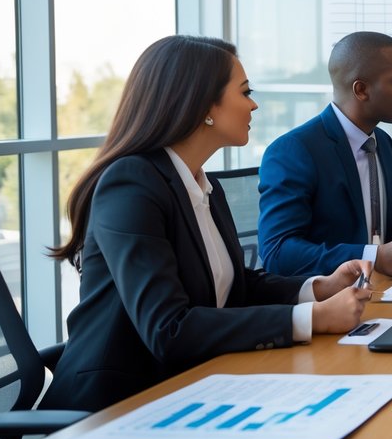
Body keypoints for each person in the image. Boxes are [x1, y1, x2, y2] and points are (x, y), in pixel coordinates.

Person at [42, 36, 371, 412]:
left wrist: (318, 289)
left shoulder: (201, 183)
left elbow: (234, 287)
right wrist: (312, 318)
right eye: (245, 92)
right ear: (203, 105)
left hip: (191, 387)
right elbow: (170, 330)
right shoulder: (130, 184)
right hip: (115, 406)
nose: (254, 104)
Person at [258, 31, 392, 279]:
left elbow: (385, 210)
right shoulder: (294, 151)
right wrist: (374, 257)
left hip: (384, 290)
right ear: (361, 90)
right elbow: (278, 253)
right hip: (330, 302)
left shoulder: (382, 142)